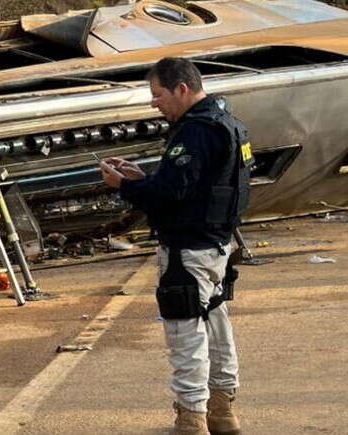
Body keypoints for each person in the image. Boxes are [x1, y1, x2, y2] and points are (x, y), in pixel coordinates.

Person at [100, 58, 250, 435]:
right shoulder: (227, 123)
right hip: (216, 244)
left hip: (188, 249)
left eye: (158, 95)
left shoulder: (194, 132)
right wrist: (143, 177)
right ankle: (222, 410)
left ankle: (191, 419)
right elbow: (196, 186)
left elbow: (172, 193)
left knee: (185, 335)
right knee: (216, 324)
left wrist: (125, 187)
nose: (155, 103)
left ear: (181, 89)